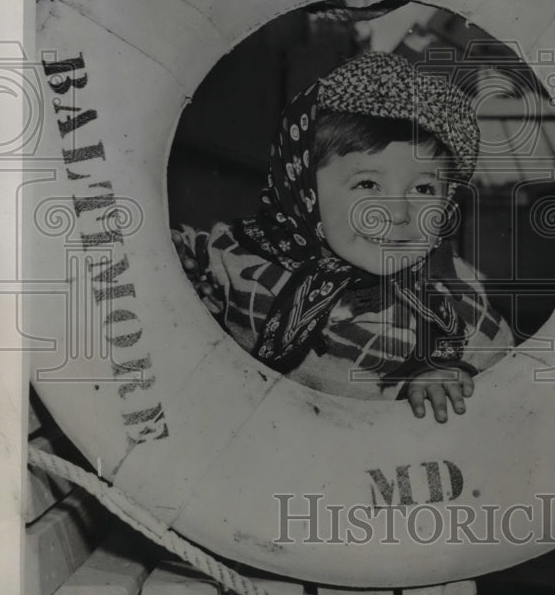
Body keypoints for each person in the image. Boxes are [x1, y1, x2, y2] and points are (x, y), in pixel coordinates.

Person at [172, 52, 513, 422]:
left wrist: (456, 376)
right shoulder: (243, 257)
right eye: (368, 183)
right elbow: (163, 256)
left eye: (424, 190)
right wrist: (184, 277)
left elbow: (507, 375)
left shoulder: (453, 297)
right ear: (304, 192)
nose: (398, 214)